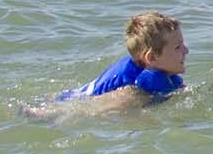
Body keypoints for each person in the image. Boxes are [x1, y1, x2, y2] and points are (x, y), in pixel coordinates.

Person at [58, 13, 187, 105]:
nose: (186, 50)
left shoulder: (153, 72)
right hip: (60, 106)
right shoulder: (131, 90)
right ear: (151, 57)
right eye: (178, 47)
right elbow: (90, 110)